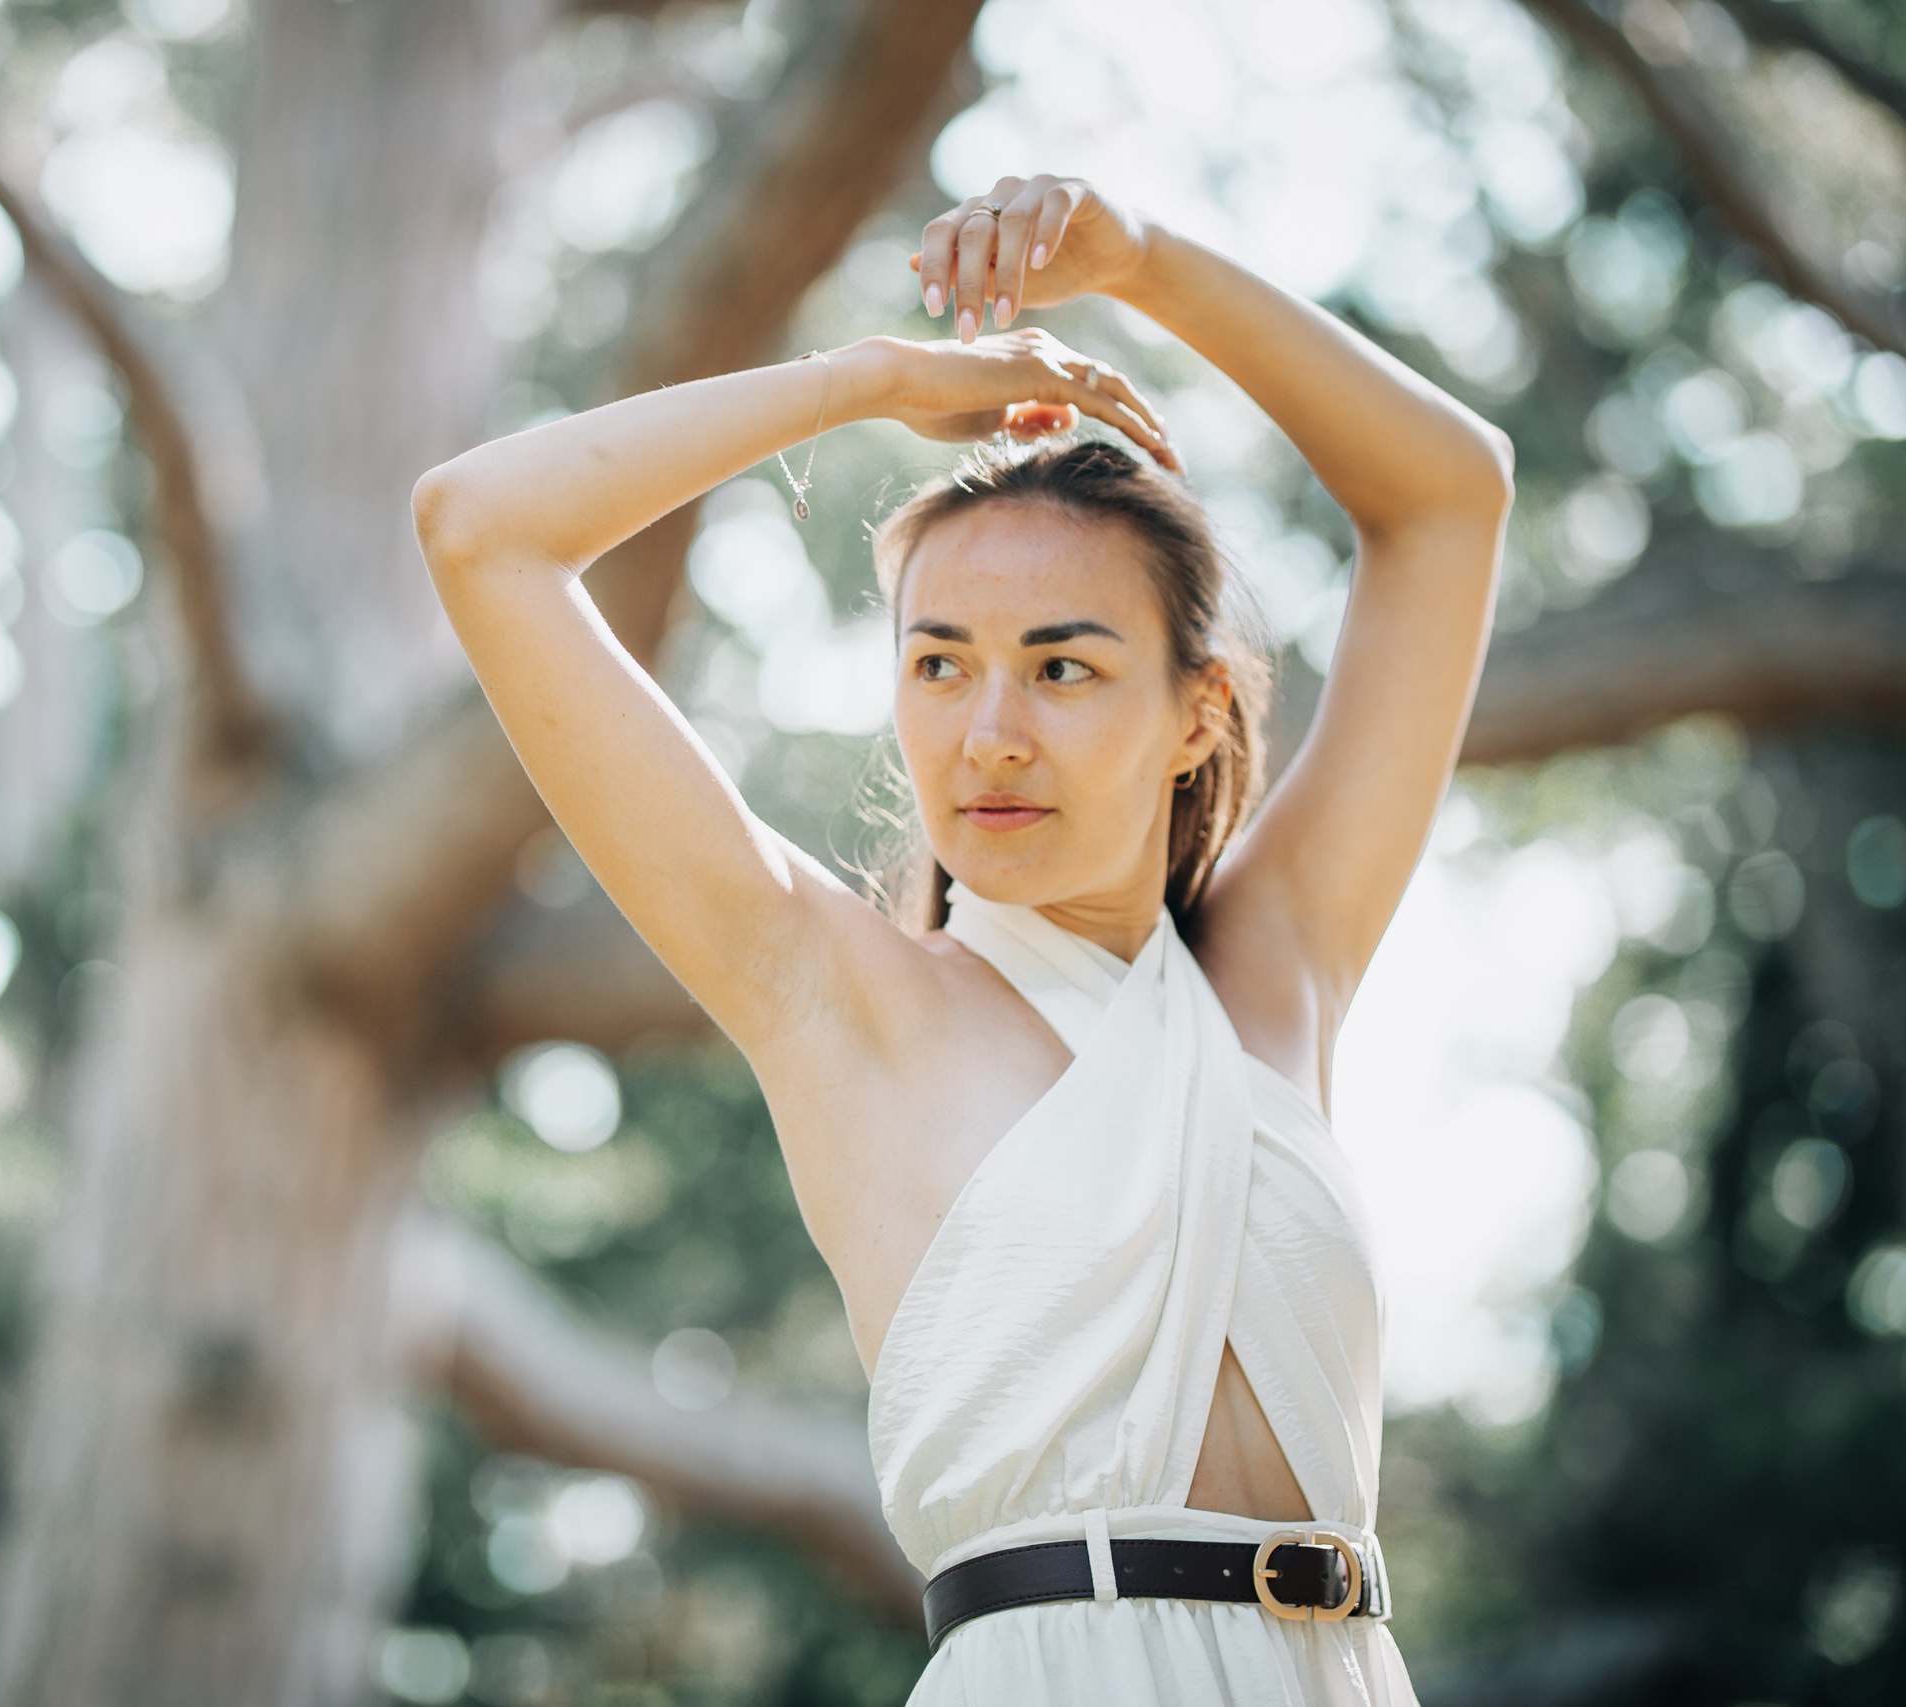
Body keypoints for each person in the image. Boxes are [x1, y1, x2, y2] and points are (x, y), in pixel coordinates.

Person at [412, 171, 1511, 1705]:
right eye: (941, 666)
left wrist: (1139, 262)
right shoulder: (837, 994)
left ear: (1197, 716)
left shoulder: (1280, 965)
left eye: (1062, 671)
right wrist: (866, 382)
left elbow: (1451, 495)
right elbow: (482, 529)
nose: (989, 735)